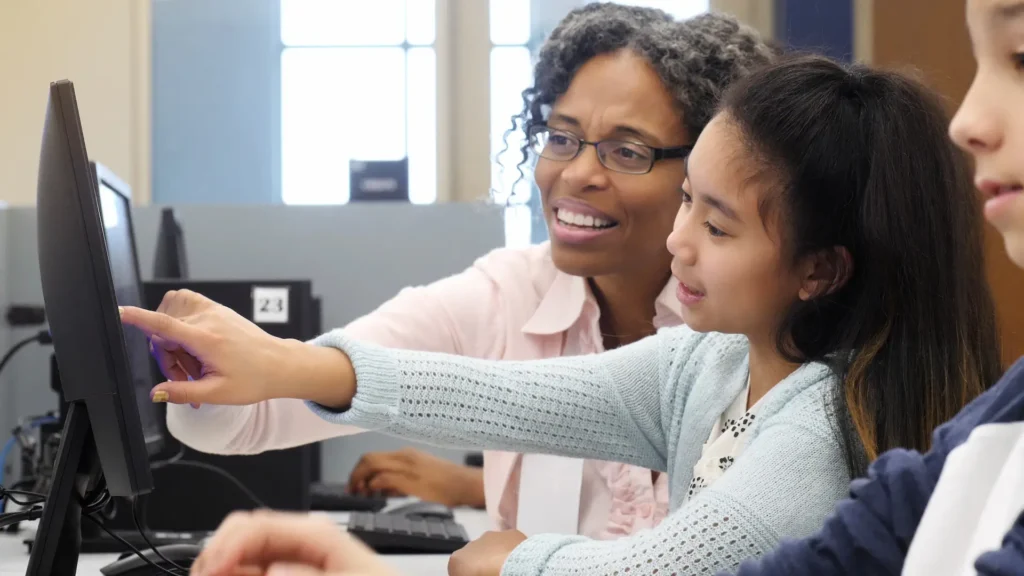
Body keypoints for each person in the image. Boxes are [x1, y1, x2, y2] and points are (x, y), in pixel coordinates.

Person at [124, 52, 1002, 576]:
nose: (680, 243)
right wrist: (287, 364)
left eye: (717, 224)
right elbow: (498, 396)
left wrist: (511, 557)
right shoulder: (713, 365)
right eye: (687, 202)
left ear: (819, 270)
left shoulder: (808, 435)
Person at [164, 4, 775, 539]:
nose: (577, 174)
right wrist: (201, 371)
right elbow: (257, 418)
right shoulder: (506, 295)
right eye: (561, 138)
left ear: (704, 173)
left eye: (627, 151)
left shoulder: (752, 325)